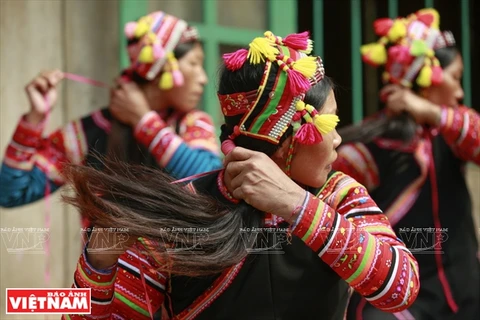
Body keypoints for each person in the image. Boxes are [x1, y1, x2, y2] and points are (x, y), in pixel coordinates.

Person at [61, 30, 419, 320]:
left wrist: (296, 205)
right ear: (289, 138)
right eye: (332, 122)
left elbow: (401, 288)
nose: (339, 137)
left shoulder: (338, 196)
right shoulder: (182, 208)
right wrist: (97, 266)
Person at [332, 8, 480, 320]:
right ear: (427, 81)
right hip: (400, 304)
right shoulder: (374, 144)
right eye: (454, 79)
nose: (460, 92)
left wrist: (431, 112)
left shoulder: (451, 132)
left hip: (464, 294)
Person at [0, 11, 222, 209]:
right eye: (193, 64)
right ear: (163, 68)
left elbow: (209, 184)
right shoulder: (90, 131)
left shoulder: (193, 123)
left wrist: (144, 121)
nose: (203, 78)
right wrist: (33, 119)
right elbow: (10, 194)